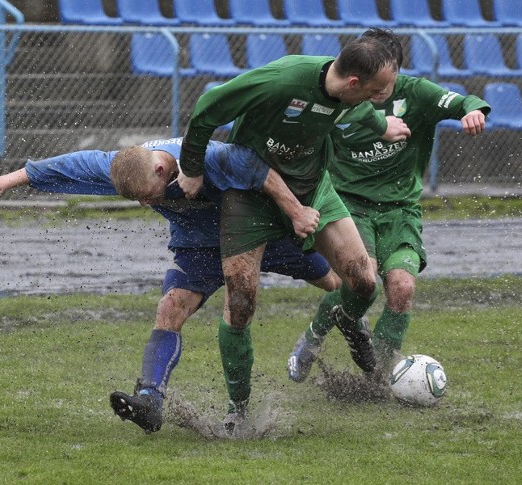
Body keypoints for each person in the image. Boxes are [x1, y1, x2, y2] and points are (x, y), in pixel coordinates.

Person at [0, 137, 340, 433]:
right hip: (199, 246)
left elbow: (263, 171)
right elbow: (62, 166)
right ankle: (149, 401)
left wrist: (295, 212)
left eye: (147, 197)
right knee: (169, 308)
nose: (145, 205)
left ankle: (332, 330)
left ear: (161, 172)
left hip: (259, 235)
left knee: (337, 282)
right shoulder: (127, 164)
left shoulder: (210, 157)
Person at [176, 29, 412, 427]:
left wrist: (381, 125)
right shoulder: (283, 80)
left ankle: (345, 319)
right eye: (378, 90)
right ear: (354, 82)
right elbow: (207, 107)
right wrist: (192, 169)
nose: (383, 97)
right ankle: (239, 412)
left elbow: (359, 111)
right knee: (241, 303)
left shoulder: (349, 96)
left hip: (313, 192)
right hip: (249, 196)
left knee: (363, 282)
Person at [287, 36, 491, 383]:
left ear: (396, 69)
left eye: (388, 76)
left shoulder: (416, 93)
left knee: (401, 287)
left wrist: (473, 111)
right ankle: (313, 337)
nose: (379, 88)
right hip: (349, 205)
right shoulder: (341, 99)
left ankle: (377, 377)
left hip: (401, 209)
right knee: (362, 280)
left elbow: (463, 100)